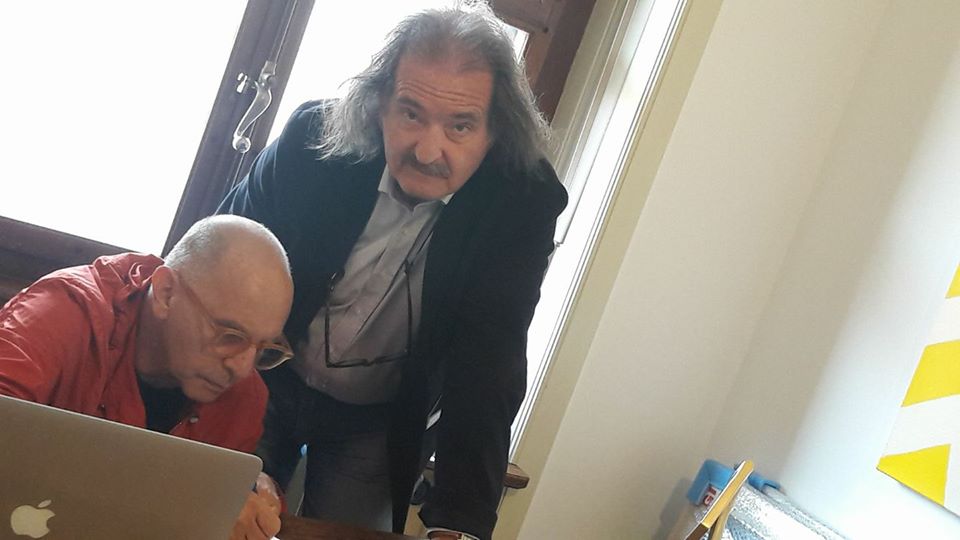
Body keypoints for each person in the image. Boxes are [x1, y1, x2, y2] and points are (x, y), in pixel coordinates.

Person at [217, 4, 568, 539]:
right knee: (218, 515)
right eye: (410, 114)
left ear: (495, 132)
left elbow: (489, 364)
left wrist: (457, 525)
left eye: (460, 125)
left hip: (379, 418)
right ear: (379, 104)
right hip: (263, 375)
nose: (428, 150)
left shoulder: (522, 204)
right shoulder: (312, 142)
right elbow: (217, 262)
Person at [0, 215, 294, 540]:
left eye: (264, 349)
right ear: (166, 292)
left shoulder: (244, 395)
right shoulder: (62, 313)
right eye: (230, 335)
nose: (242, 367)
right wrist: (192, 505)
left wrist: (251, 492)